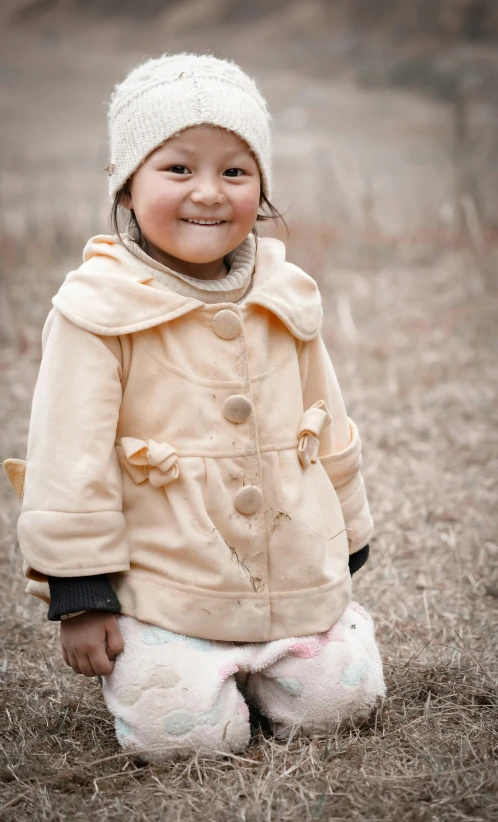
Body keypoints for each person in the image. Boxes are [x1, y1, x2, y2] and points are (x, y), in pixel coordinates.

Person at [3, 53, 386, 761]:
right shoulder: (98, 310)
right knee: (186, 742)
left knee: (347, 705)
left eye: (234, 172)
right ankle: (173, 662)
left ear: (261, 187)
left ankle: (296, 650)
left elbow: (324, 419)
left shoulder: (284, 293)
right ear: (128, 185)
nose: (208, 193)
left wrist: (349, 534)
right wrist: (80, 593)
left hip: (288, 571)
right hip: (162, 586)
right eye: (178, 168)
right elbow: (68, 459)